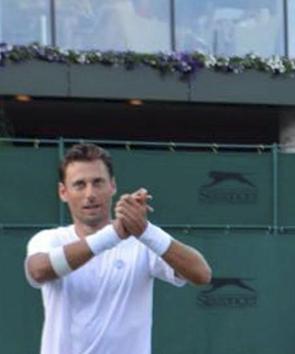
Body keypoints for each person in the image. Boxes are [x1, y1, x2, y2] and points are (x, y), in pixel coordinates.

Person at [24, 143, 212, 354]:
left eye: (98, 182)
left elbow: (201, 274)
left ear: (112, 185)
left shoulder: (141, 241)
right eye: (79, 184)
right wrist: (113, 235)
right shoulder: (49, 239)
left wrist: (145, 231)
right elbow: (38, 270)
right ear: (63, 192)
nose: (90, 194)